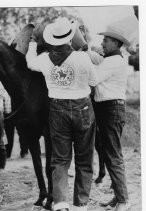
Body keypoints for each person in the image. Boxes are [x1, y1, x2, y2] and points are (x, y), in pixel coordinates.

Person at [26, 17, 97, 211]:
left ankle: (60, 203)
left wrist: (32, 42)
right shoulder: (82, 57)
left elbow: (30, 63)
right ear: (70, 37)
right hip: (82, 107)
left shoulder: (44, 59)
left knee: (59, 160)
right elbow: (94, 80)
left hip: (57, 108)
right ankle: (81, 205)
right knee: (84, 158)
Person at [89, 20, 132, 211]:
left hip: (110, 109)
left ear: (115, 43)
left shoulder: (112, 61)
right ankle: (118, 197)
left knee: (113, 156)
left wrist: (84, 57)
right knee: (110, 154)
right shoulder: (112, 59)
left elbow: (94, 78)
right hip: (107, 109)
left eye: (106, 40)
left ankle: (123, 200)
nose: (103, 43)